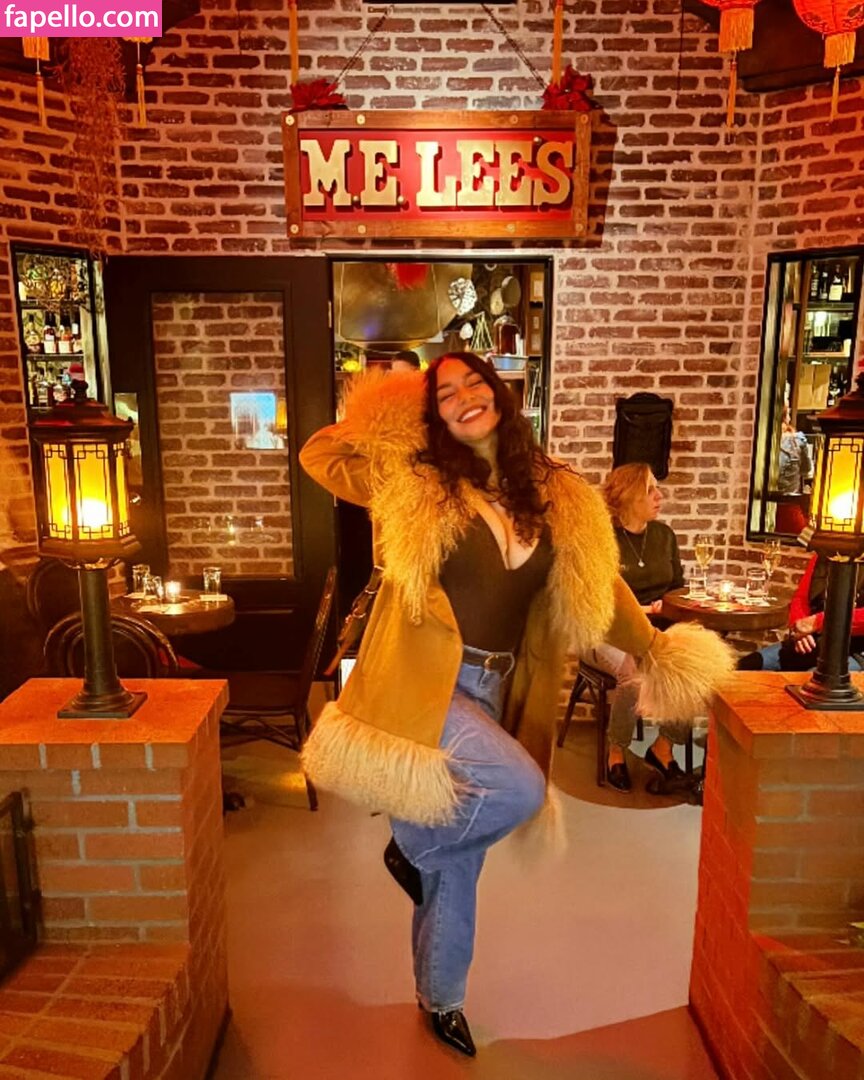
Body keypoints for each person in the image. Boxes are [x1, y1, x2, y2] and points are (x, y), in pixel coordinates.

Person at [298, 352, 731, 1057]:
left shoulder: (557, 493)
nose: (463, 397)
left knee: (457, 868)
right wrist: (394, 406)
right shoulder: (414, 479)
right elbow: (319, 454)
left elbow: (602, 587)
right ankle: (409, 849)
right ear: (432, 413)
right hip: (422, 682)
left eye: (474, 383)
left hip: (497, 686)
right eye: (444, 393)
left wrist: (655, 647)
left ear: (500, 395)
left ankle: (441, 998)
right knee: (519, 791)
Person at [582, 463, 690, 793]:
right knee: (633, 673)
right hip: (608, 631)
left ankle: (663, 748)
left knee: (690, 666)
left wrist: (666, 609)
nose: (659, 495)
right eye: (650, 489)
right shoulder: (602, 540)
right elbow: (593, 600)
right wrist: (641, 611)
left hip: (655, 631)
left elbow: (678, 588)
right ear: (629, 496)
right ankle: (616, 752)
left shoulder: (664, 536)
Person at [742, 553, 864, 672]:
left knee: (814, 680)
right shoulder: (824, 553)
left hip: (855, 651)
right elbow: (801, 598)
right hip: (815, 642)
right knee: (745, 665)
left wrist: (816, 622)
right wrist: (800, 630)